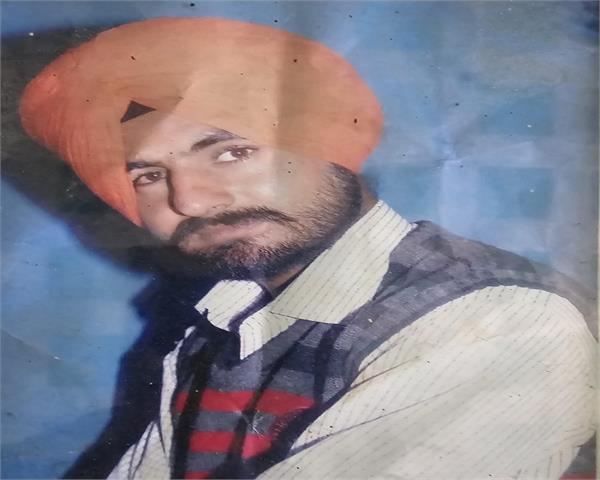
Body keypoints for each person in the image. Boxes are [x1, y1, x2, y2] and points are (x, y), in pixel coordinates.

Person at [19, 17, 596, 480]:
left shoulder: (501, 319)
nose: (190, 200)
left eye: (232, 152)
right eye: (147, 176)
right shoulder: (225, 321)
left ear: (328, 140)